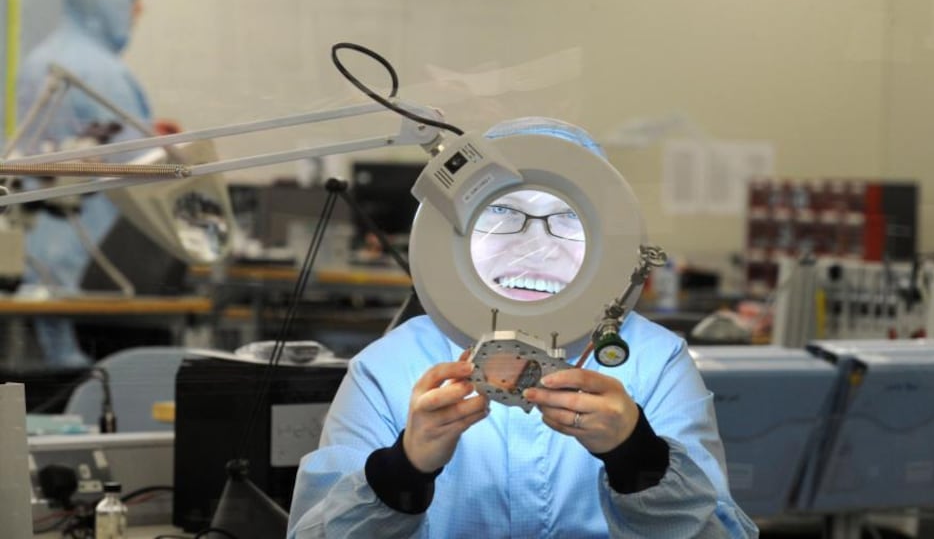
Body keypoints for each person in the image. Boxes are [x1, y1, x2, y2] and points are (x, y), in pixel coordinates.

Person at [288, 118, 758, 538]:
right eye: (503, 211)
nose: (536, 243)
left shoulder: (654, 362)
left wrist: (638, 458)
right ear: (459, 228)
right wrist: (401, 473)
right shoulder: (390, 367)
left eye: (567, 216)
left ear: (606, 234)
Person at [14, 0, 175, 367]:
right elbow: (143, 179)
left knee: (38, 382)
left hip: (34, 257)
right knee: (92, 381)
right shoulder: (106, 75)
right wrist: (173, 153)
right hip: (92, 266)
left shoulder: (39, 60)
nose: (139, 10)